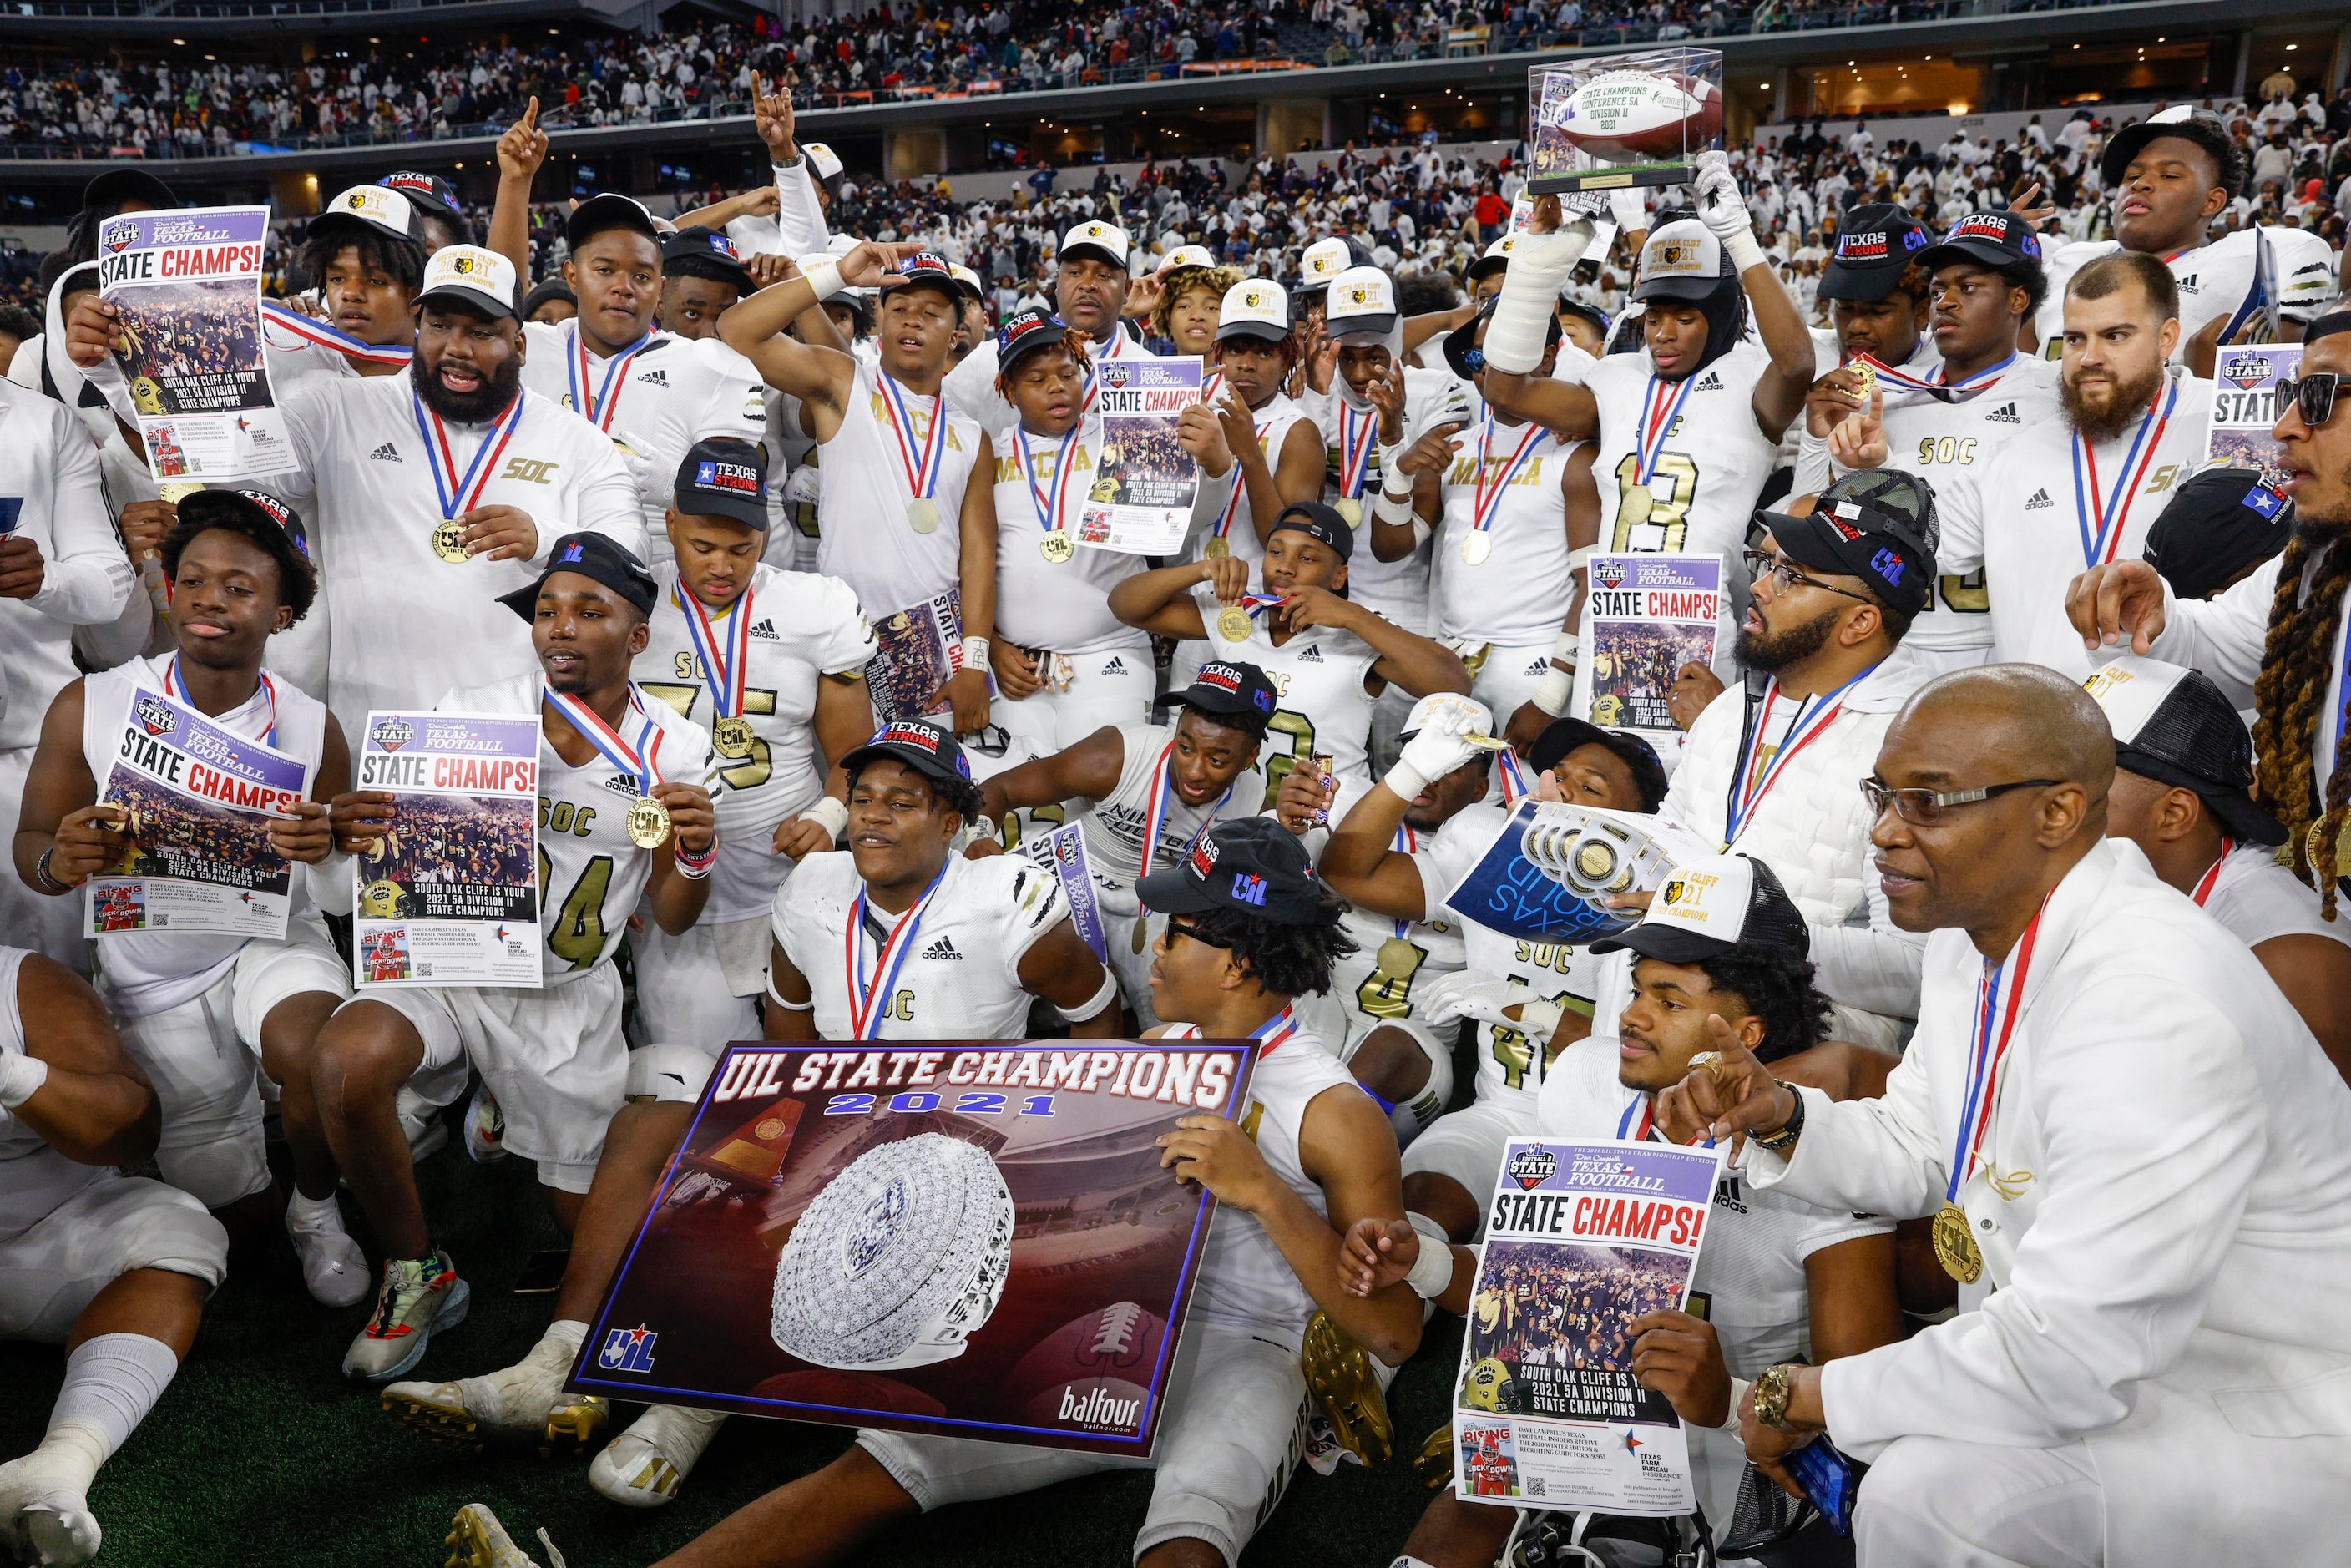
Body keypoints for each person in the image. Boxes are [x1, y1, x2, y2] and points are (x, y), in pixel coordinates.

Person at [447, 815, 1420, 1568]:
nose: (1151, 947)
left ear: (1240, 959)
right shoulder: (1157, 1056)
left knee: (1188, 1534)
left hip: (1256, 1346)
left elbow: (1390, 1331)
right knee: (880, 1466)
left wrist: (1265, 1195)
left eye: (1177, 931)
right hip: (1127, 1314)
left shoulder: (1331, 1110)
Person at [1662, 664, 2351, 1567]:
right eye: (1882, 795)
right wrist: (1781, 1113)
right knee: (1921, 1473)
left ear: (2056, 813)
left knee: (1928, 1497)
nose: (1882, 831)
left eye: (1929, 803)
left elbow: (2066, 1354)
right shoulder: (1974, 938)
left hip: (2264, 1407)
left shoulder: (2150, 1001)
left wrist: (1800, 1395)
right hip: (2121, 1371)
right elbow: (1921, 1142)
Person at [383, 716, 1118, 1510]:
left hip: (952, 1139)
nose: (871, 816)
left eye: (901, 802)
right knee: (652, 1115)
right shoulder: (811, 889)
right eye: (862, 797)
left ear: (951, 822)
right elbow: (788, 1043)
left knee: (826, 1214)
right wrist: (783, 1142)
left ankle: (687, 1409)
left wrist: (1051, 1125)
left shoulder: (1008, 901)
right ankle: (555, 1364)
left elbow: (1102, 1018)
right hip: (839, 1108)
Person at [1348, 853, 1902, 1566]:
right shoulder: (1587, 1084)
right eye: (1638, 989)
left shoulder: (1831, 1152)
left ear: (1749, 1036)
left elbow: (1866, 1405)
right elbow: (1532, 1289)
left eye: (1668, 1001)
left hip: (1747, 1446)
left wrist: (1727, 1399)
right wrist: (1419, 1260)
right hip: (1577, 1419)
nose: (1630, 1016)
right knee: (1451, 1525)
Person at [300, 532, 716, 1383]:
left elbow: (673, 918)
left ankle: (498, 1099)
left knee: (590, 1230)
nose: (559, 627)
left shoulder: (674, 748)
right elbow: (395, 861)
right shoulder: (471, 712)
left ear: (637, 636)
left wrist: (695, 855)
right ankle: (417, 1270)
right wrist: (361, 829)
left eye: (589, 610)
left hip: (562, 996)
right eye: (547, 610)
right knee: (344, 1064)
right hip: (451, 968)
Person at [65, 243, 645, 750]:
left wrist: (548, 543)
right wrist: (119, 370)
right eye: (440, 326)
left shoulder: (577, 443)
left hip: (516, 727)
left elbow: (631, 563)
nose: (457, 348)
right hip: (370, 722)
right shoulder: (340, 410)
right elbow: (218, 457)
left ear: (519, 345)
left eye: (482, 332)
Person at [12, 493, 360, 1291]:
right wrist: (61, 864)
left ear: (282, 612)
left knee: (313, 1052)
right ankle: (278, 1182)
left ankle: (317, 1204)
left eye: (240, 587)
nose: (210, 598)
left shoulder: (312, 725)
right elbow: (31, 847)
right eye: (194, 579)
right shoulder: (93, 702)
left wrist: (331, 849)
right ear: (168, 591)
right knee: (231, 1217)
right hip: (152, 974)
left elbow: (344, 893)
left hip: (269, 937)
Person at [1479, 159, 1818, 753]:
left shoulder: (1749, 381)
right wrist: (1538, 264)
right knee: (1602, 783)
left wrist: (1738, 238)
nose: (1663, 333)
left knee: (1687, 787)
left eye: (1685, 318)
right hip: (1608, 619)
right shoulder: (1614, 378)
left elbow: (1797, 364)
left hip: (1701, 622)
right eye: (1654, 317)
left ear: (1718, 317)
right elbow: (1505, 389)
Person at [1313, 695, 1666, 1245]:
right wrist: (1412, 770)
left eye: (1590, 787)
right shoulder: (1488, 851)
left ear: (1641, 825)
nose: (1559, 792)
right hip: (1501, 1113)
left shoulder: (1665, 906)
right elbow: (1347, 872)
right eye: (1556, 775)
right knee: (1410, 1214)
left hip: (1615, 1134)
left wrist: (1531, 1012)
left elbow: (1673, 1063)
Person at [2065, 310, 2351, 918]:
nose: (2285, 426)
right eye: (2290, 395)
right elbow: (2225, 646)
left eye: (2320, 397)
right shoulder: (2316, 566)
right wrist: (2159, 614)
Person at [1646, 479, 1938, 1047]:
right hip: (1658, 1042)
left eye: (1790, 576)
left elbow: (1920, 973)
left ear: (1860, 624)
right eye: (1766, 563)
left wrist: (1739, 928)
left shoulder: (1920, 748)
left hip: (1796, 1087)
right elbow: (1661, 857)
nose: (1758, 586)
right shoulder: (1731, 707)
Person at [629, 439, 876, 1050]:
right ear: (669, 525)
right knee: (695, 1075)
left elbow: (856, 757)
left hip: (788, 877)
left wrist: (829, 814)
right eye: (703, 547)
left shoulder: (813, 606)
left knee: (820, 1067)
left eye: (742, 549)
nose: (722, 566)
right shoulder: (625, 602)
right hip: (673, 883)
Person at [0, 944, 226, 1568]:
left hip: (51, 1234)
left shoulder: (23, 979)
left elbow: (130, 1129)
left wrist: (11, 1074)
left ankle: (61, 1462)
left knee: (184, 1232)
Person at [719, 244, 992, 733]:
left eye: (931, 313)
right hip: (844, 630)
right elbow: (736, 331)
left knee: (924, 794)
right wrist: (835, 275)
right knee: (852, 785)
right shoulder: (844, 384)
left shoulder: (973, 436)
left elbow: (977, 558)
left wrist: (974, 661)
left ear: (955, 333)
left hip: (935, 640)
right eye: (900, 309)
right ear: (878, 323)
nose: (912, 322)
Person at [1806, 209, 2060, 676]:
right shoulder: (1884, 393)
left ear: (2018, 298)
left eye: (1968, 288)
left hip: (2001, 644)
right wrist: (1851, 470)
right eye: (1939, 289)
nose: (1947, 302)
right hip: (1894, 643)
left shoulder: (2058, 394)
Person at [1937, 251, 2212, 680]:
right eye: (2075, 339)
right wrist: (1853, 469)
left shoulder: (2223, 423)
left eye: (2115, 336)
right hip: (2043, 729)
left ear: (2167, 337)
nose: (2089, 358)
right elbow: (1921, 548)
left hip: (2181, 732)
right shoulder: (2012, 457)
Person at [1110, 502, 1471, 814]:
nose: (1285, 567)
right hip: (1236, 810)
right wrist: (1201, 570)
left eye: (1307, 558)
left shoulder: (1358, 632)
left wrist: (1353, 616)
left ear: (1339, 575)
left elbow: (1454, 685)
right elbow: (1125, 606)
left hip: (1325, 813)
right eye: (1276, 552)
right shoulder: (1238, 615)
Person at [2083, 654, 2351, 1074]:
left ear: (2174, 814)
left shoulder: (2290, 964)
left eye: (2083, 795)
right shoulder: (2117, 896)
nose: (2050, 815)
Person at [972, 660, 1273, 1024]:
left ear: (1250, 758)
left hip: (1155, 907)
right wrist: (979, 835)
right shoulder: (1117, 756)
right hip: (1071, 880)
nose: (1195, 771)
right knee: (999, 1003)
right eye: (1186, 747)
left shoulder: (1254, 801)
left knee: (1174, 1025)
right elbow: (1001, 789)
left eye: (1217, 759)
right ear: (1176, 729)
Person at [512, 193, 771, 567]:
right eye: (604, 270)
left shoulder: (711, 366)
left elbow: (749, 509)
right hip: (525, 567)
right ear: (571, 275)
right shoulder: (525, 347)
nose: (624, 287)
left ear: (660, 289)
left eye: (642, 276)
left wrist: (676, 485)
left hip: (652, 580)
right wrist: (516, 183)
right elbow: (502, 287)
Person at [984, 307, 1182, 749]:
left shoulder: (1127, 438)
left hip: (1111, 652)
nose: (1057, 387)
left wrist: (1213, 461)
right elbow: (970, 563)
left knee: (1105, 800)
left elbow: (1189, 521)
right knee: (1025, 811)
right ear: (1010, 392)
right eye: (1037, 380)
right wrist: (993, 647)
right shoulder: (989, 456)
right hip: (1017, 665)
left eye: (1068, 373)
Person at [1391, 301, 1592, 731]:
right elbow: (1393, 546)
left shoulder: (1574, 452)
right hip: (1452, 654)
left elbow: (1592, 584)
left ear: (1547, 357)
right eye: (1477, 357)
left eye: (1503, 354)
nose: (1487, 369)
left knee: (1523, 793)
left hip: (1532, 657)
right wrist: (1399, 473)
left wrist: (1553, 692)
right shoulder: (1456, 446)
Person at [0, 366, 132, 971]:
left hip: (28, 765)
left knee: (52, 987)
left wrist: (45, 580)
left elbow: (110, 585)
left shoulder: (43, 423)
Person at [2031, 106, 2257, 365]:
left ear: (2212, 201)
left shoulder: (2240, 276)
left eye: (2169, 175)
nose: (2140, 184)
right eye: (2133, 176)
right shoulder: (2066, 263)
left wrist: (2209, 383)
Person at [944, 219, 1160, 434]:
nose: (1087, 285)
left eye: (1104, 275)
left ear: (1126, 290)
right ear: (1057, 282)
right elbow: (932, 431)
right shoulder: (988, 361)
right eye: (1075, 272)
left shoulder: (1150, 373)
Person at [1188, 279, 1324, 577]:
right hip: (1189, 590)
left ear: (1287, 360)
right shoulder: (1195, 411)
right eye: (1236, 350)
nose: (1247, 364)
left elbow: (1287, 545)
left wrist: (1250, 455)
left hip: (1258, 601)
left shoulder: (1298, 432)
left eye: (1264, 353)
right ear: (1220, 354)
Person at [657, 227, 757, 342]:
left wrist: (778, 285)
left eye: (722, 317)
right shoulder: (635, 354)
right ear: (659, 301)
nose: (710, 335)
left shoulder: (742, 352)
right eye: (692, 314)